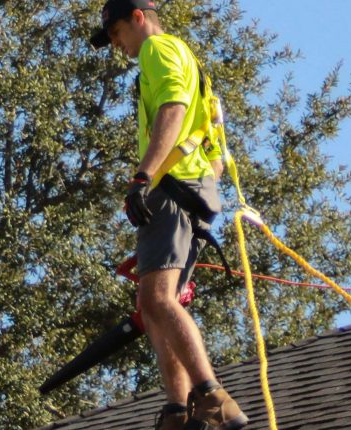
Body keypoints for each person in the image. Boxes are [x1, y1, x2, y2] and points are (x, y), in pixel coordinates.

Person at [88, 1, 248, 429]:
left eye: (117, 33)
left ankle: (211, 396)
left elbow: (172, 110)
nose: (117, 45)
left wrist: (145, 176)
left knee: (157, 299)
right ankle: (178, 410)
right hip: (194, 193)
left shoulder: (157, 51)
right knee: (156, 301)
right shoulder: (189, 60)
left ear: (138, 18)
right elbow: (213, 147)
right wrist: (200, 188)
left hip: (172, 190)